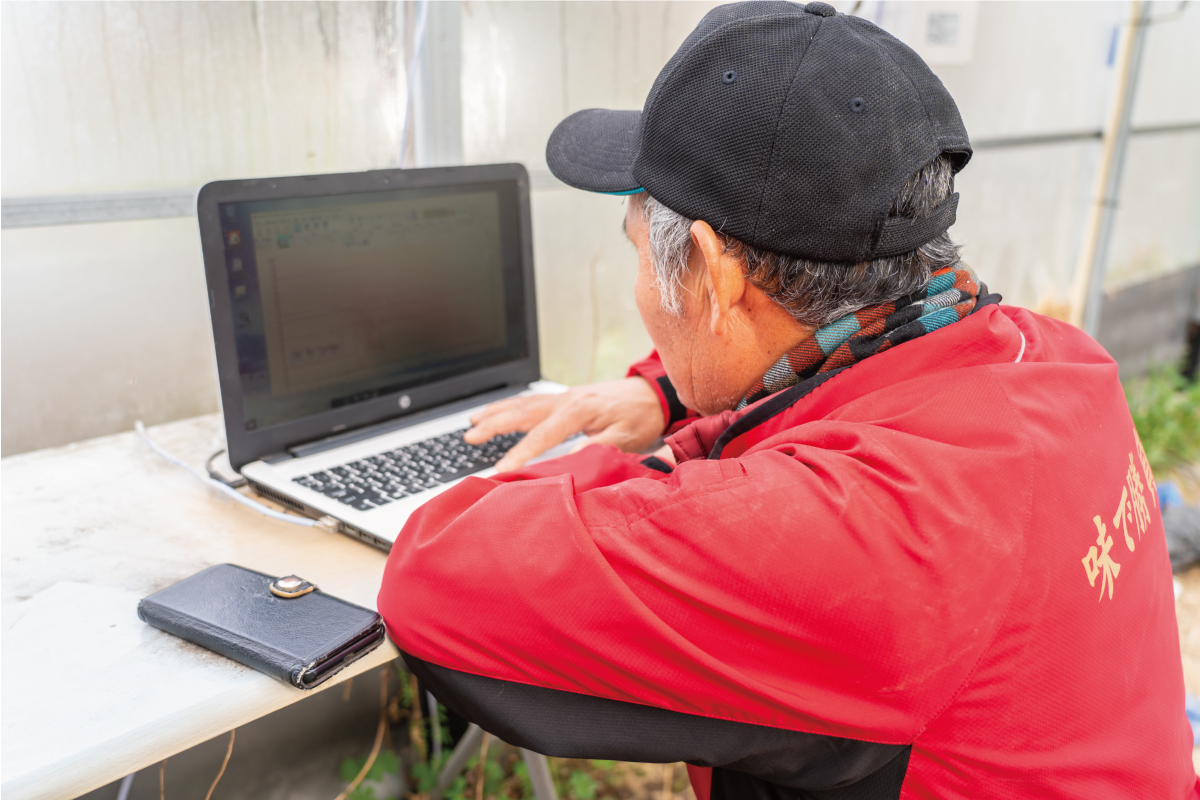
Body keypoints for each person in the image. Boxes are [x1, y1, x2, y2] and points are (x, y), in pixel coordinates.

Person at [378, 2, 1197, 797]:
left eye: (635, 249)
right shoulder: (1052, 358)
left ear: (714, 272)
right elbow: (834, 360)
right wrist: (666, 392)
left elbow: (436, 578)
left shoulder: (867, 530)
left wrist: (677, 450)